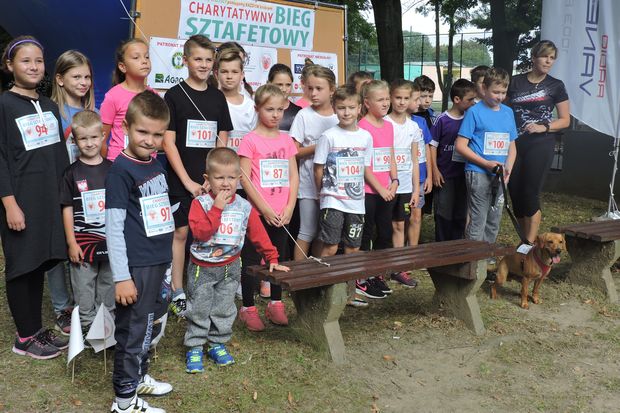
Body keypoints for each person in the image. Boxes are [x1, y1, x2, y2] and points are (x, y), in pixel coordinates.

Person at [185, 148, 289, 371]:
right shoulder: (200, 204)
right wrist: (217, 209)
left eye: (231, 178)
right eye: (219, 178)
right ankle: (195, 346)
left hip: (230, 267)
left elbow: (258, 234)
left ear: (240, 179)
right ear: (207, 179)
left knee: (224, 307)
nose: (226, 184)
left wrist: (271, 256)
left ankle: (217, 342)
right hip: (202, 268)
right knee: (199, 308)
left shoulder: (243, 206)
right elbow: (201, 233)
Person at [0, 35, 70, 360]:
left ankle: (35, 328)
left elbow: (59, 156)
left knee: (39, 262)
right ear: (10, 65)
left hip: (48, 200)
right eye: (25, 61)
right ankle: (24, 338)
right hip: (20, 201)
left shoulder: (50, 106)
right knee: (21, 265)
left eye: (39, 61)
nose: (33, 66)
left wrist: (66, 196)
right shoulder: (4, 105)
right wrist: (9, 203)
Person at [106, 91, 173, 413]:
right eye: (143, 132)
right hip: (137, 267)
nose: (150, 140)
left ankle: (139, 377)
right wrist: (122, 277)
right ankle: (124, 402)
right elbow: (113, 227)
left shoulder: (155, 163)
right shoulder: (120, 170)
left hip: (158, 261)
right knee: (133, 332)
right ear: (126, 128)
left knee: (150, 325)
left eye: (158, 134)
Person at [163, 35, 233, 318]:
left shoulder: (217, 97)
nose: (203, 65)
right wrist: (188, 182)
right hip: (182, 180)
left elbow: (222, 139)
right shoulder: (174, 95)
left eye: (208, 60)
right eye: (197, 59)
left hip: (210, 182)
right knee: (180, 233)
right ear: (185, 60)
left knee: (208, 233)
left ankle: (205, 286)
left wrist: (212, 179)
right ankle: (177, 290)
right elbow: (168, 142)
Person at [237, 85, 299, 331]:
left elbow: (293, 176)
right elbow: (245, 178)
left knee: (279, 258)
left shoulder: (286, 140)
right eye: (269, 109)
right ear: (257, 109)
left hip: (282, 213)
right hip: (258, 213)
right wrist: (263, 209)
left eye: (279, 110)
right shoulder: (250, 140)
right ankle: (248, 307)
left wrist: (290, 207)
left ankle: (275, 303)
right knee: (251, 260)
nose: (275, 115)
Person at [49, 49, 98, 334]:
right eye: (76, 76)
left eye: (87, 77)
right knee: (58, 249)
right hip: (59, 187)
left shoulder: (93, 114)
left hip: (88, 192)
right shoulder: (52, 113)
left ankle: (86, 302)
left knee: (83, 242)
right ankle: (62, 307)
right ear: (60, 79)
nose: (83, 82)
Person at [313, 85, 373, 307]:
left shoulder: (366, 137)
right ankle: (322, 288)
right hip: (333, 201)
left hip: (356, 204)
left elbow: (365, 168)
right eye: (341, 108)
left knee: (353, 248)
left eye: (350, 107)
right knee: (330, 245)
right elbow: (318, 168)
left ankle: (350, 292)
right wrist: (323, 194)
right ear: (334, 108)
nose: (346, 112)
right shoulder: (329, 136)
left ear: (359, 108)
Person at [507, 40, 570, 243]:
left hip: (541, 144)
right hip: (514, 144)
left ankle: (529, 244)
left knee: (530, 192)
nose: (548, 61)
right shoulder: (515, 82)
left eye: (552, 58)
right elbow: (502, 109)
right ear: (534, 57)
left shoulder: (556, 85)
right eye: (545, 56)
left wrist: (544, 127)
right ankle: (524, 240)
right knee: (515, 192)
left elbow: (565, 120)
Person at [60, 110, 114, 329]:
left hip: (109, 244)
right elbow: (67, 209)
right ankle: (86, 329)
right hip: (83, 247)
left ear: (103, 136)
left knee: (108, 288)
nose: (89, 143)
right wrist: (71, 242)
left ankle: (105, 331)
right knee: (84, 290)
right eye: (83, 138)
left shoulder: (113, 170)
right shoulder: (70, 173)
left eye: (93, 137)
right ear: (74, 140)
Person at [455, 68, 518, 244]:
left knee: (494, 220)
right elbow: (460, 145)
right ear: (484, 88)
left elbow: (512, 147)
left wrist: (508, 169)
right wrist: (485, 163)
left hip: (501, 175)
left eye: (503, 92)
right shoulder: (474, 112)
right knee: (478, 219)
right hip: (478, 172)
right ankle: (473, 258)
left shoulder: (508, 112)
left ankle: (487, 256)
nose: (500, 97)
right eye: (495, 92)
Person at [289, 65, 338, 261]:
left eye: (319, 88)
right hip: (308, 185)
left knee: (322, 233)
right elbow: (293, 151)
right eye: (310, 88)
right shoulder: (304, 115)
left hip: (333, 186)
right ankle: (300, 275)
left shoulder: (339, 115)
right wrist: (320, 146)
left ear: (332, 89)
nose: (313, 93)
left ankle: (316, 272)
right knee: (307, 231)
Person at [357, 80, 399, 299]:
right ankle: (361, 277)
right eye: (380, 100)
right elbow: (364, 165)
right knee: (366, 233)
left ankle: (377, 273)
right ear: (367, 103)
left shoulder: (389, 125)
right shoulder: (362, 127)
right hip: (369, 191)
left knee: (385, 232)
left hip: (388, 190)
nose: (385, 103)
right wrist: (380, 189)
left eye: (387, 99)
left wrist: (394, 180)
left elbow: (390, 154)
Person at [384, 79, 422, 288]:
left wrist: (416, 190)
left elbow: (414, 160)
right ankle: (378, 269)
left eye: (406, 98)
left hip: (406, 186)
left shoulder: (413, 127)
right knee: (383, 226)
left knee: (400, 224)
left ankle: (398, 269)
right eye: (397, 97)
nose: (401, 102)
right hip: (386, 185)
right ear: (390, 97)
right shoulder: (384, 123)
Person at [430, 79, 476, 242]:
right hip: (445, 175)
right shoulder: (442, 119)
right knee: (444, 212)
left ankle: (456, 245)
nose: (473, 103)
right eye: (470, 99)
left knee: (460, 212)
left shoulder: (471, 118)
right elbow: (432, 146)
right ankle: (442, 245)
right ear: (457, 99)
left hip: (465, 174)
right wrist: (435, 171)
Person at [101, 38, 151, 161]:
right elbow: (102, 139)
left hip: (147, 163)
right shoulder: (113, 96)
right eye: (136, 57)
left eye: (147, 57)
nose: (144, 61)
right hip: (119, 162)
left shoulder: (153, 95)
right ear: (122, 67)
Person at [406, 82, 432, 246]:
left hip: (420, 177)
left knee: (416, 216)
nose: (420, 103)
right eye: (416, 100)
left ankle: (412, 251)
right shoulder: (390, 123)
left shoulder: (421, 122)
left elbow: (426, 147)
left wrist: (429, 176)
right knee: (401, 218)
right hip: (402, 178)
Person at [215, 48, 256, 154]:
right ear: (216, 74)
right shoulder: (211, 102)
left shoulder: (250, 106)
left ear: (242, 75)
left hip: (244, 161)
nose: (229, 76)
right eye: (224, 72)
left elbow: (255, 140)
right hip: (218, 160)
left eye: (234, 72)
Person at [267, 63, 301, 133]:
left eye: (288, 85)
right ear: (268, 84)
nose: (284, 89)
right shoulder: (258, 110)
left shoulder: (298, 112)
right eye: (279, 84)